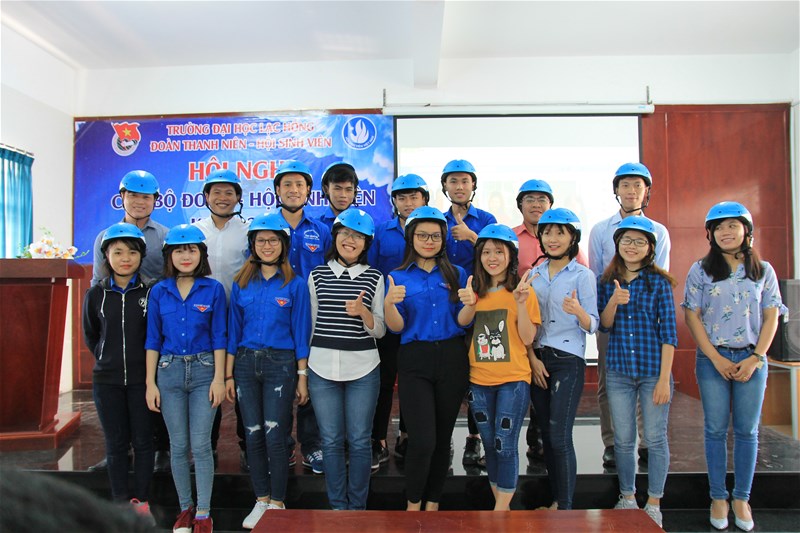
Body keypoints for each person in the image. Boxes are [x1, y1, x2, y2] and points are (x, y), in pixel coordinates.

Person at [683, 201, 786, 532]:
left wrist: (756, 357)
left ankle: (741, 497)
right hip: (712, 359)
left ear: (747, 230)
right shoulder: (700, 270)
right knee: (714, 429)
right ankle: (718, 497)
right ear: (710, 234)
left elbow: (771, 316)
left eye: (732, 225)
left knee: (747, 431)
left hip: (752, 359)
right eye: (719, 227)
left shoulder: (763, 270)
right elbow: (692, 315)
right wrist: (716, 358)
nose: (725, 232)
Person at [226, 213, 312, 529]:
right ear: (252, 245)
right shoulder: (240, 283)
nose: (267, 245)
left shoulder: (295, 285)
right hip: (245, 364)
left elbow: (301, 333)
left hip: (281, 365)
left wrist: (302, 377)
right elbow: (232, 333)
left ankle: (277, 502)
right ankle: (260, 499)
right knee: (253, 434)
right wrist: (228, 375)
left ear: (283, 245)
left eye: (273, 240)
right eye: (261, 240)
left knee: (276, 435)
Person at [384, 206, 470, 511]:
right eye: (422, 235)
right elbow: (396, 327)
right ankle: (413, 504)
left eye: (435, 236)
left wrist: (471, 304)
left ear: (443, 239)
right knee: (422, 440)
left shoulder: (456, 274)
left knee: (442, 438)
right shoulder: (396, 277)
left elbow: (463, 322)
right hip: (414, 359)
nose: (429, 241)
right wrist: (389, 305)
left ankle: (432, 505)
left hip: (452, 357)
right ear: (411, 238)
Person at [145, 224, 227, 533]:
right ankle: (184, 509)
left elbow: (220, 336)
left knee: (201, 445)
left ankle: (204, 513)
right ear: (169, 255)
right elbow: (153, 340)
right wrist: (150, 383)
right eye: (179, 250)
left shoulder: (214, 289)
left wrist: (219, 379)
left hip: (205, 371)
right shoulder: (159, 291)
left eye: (192, 249)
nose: (185, 255)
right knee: (178, 446)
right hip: (169, 373)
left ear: (201, 254)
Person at [588, 162, 670, 468]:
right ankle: (612, 442)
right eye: (625, 185)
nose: (631, 190)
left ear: (646, 191)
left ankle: (648, 442)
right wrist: (609, 307)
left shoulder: (659, 232)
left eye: (638, 185)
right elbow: (597, 275)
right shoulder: (600, 230)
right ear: (616, 190)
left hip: (647, 321)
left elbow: (661, 276)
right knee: (609, 382)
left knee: (648, 379)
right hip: (612, 317)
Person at [597, 216, 677, 528]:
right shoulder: (607, 281)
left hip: (653, 371)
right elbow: (604, 326)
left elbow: (669, 333)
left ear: (650, 248)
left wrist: (664, 379)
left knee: (655, 438)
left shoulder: (659, 282)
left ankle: (654, 501)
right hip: (619, 372)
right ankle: (627, 496)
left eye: (640, 241)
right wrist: (614, 302)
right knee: (623, 439)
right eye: (627, 240)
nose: (632, 246)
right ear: (617, 244)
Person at [89, 170, 170, 474]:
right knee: (115, 399)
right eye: (133, 195)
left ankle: (161, 449)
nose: (139, 202)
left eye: (146, 197)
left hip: (152, 321)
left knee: (154, 387)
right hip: (117, 322)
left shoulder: (164, 235)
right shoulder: (105, 237)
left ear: (155, 201)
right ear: (122, 197)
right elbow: (97, 286)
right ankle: (118, 451)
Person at [457, 224, 541, 510]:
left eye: (499, 252)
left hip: (513, 380)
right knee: (490, 443)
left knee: (504, 443)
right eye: (486, 252)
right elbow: (462, 322)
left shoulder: (523, 291)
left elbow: (528, 338)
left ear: (511, 256)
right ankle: (501, 509)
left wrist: (521, 303)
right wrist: (470, 303)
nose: (492, 258)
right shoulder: (475, 291)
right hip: (479, 380)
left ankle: (501, 512)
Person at [308, 208, 386, 508]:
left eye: (358, 237)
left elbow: (380, 330)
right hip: (321, 369)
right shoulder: (316, 275)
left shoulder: (375, 277)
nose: (350, 240)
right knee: (330, 441)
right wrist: (303, 372)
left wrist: (364, 312)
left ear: (366, 244)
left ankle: (358, 508)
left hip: (363, 369)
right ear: (335, 237)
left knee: (360, 440)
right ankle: (338, 508)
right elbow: (310, 327)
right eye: (345, 234)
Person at [82, 223, 155, 525]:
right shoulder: (96, 294)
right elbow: (91, 334)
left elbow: (156, 335)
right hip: (107, 381)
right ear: (106, 256)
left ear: (141, 256)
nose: (126, 258)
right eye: (118, 252)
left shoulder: (151, 292)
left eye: (132, 253)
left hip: (142, 381)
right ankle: (120, 504)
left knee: (144, 442)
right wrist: (106, 357)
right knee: (115, 444)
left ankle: (142, 502)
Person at [513, 179, 588, 463]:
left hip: (563, 343)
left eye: (541, 199)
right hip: (523, 324)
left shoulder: (573, 253)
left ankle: (544, 447)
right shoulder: (511, 237)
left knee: (556, 428)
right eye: (530, 199)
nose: (536, 204)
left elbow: (582, 283)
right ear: (520, 204)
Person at [529, 208, 599, 510]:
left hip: (567, 360)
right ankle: (556, 502)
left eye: (560, 232)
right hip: (537, 359)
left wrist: (578, 311)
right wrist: (531, 358)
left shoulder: (583, 275)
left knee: (559, 435)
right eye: (547, 232)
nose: (553, 238)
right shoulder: (533, 274)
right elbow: (525, 322)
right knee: (546, 434)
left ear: (573, 238)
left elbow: (593, 324)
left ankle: (566, 509)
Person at [368, 174, 429, 466]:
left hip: (421, 319)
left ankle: (407, 434)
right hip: (389, 317)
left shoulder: (432, 231)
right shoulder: (382, 232)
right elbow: (371, 272)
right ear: (393, 201)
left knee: (413, 380)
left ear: (424, 199)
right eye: (402, 197)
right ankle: (378, 438)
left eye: (414, 197)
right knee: (384, 380)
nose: (408, 203)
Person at [274, 159, 331, 474]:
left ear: (309, 190)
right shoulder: (266, 227)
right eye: (287, 184)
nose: (293, 190)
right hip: (276, 314)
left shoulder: (321, 230)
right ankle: (282, 446)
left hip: (313, 316)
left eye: (299, 184)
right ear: (277, 190)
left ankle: (312, 446)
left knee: (311, 378)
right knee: (281, 381)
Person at [440, 159, 498, 465]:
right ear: (445, 186)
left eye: (464, 181)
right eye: (453, 181)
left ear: (473, 185)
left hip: (481, 305)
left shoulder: (486, 219)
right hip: (445, 305)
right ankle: (445, 436)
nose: (459, 186)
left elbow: (499, 254)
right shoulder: (437, 220)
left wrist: (473, 236)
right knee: (449, 374)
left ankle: (475, 437)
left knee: (479, 372)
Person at [194, 168, 251, 471]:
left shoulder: (247, 231)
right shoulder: (195, 231)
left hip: (239, 318)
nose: (223, 198)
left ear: (239, 198)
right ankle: (208, 447)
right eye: (216, 192)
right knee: (208, 382)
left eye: (229, 192)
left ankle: (247, 445)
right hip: (201, 320)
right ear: (206, 197)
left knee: (241, 383)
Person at [318, 161, 359, 230]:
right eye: (337, 189)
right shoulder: (316, 226)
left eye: (348, 189)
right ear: (326, 189)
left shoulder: (367, 225)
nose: (343, 195)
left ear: (354, 191)